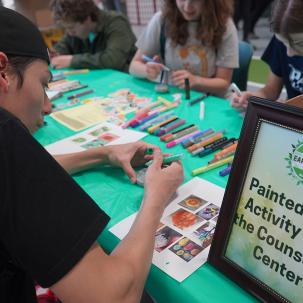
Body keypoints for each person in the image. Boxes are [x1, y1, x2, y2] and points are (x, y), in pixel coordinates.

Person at [0, 6, 183, 303]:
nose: (47, 107)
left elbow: (19, 179)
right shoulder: (4, 133)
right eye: (43, 84)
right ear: (3, 71)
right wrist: (156, 197)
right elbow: (114, 297)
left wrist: (104, 154)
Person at [129, 0, 239, 97]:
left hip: (208, 98)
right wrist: (146, 70)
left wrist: (196, 81)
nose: (187, 7)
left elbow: (224, 83)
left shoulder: (224, 25)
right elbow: (134, 66)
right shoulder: (161, 20)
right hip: (172, 96)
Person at [231, 0, 303, 111]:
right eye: (284, 43)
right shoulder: (284, 37)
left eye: (299, 44)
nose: (289, 53)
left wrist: (291, 107)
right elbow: (271, 90)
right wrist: (253, 99)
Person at [50, 0, 136, 72]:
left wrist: (72, 61)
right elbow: (59, 49)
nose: (69, 33)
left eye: (71, 28)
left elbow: (113, 60)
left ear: (87, 19)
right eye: (66, 28)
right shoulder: (76, 28)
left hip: (126, 81)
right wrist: (53, 55)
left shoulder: (116, 23)